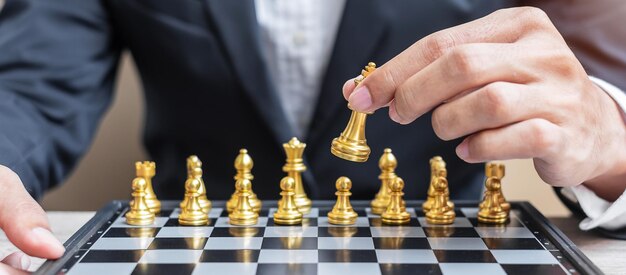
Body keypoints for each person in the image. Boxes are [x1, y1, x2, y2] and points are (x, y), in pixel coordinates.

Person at [1, 0, 625, 272]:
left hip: (439, 250)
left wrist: (610, 142)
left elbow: (593, 73)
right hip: (191, 252)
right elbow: (28, 83)